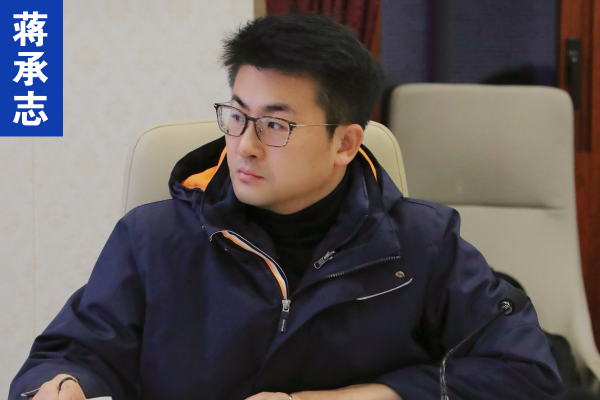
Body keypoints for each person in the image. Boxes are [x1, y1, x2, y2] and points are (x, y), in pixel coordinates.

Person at [10, 13, 563, 400]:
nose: (244, 145)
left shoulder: (423, 243)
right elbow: (70, 355)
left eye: (275, 125)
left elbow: (525, 375)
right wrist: (64, 386)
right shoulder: (152, 237)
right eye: (236, 115)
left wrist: (354, 397)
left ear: (345, 143)